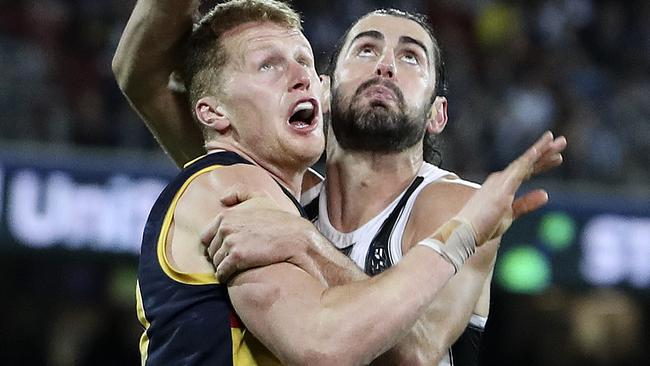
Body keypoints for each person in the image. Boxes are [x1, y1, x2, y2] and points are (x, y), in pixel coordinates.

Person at [113, 1, 567, 365]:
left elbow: (418, 352)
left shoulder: (453, 204)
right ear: (326, 89)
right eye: (366, 50)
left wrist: (307, 243)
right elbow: (140, 74)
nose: (385, 65)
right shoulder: (257, 181)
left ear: (437, 114)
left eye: (411, 57)